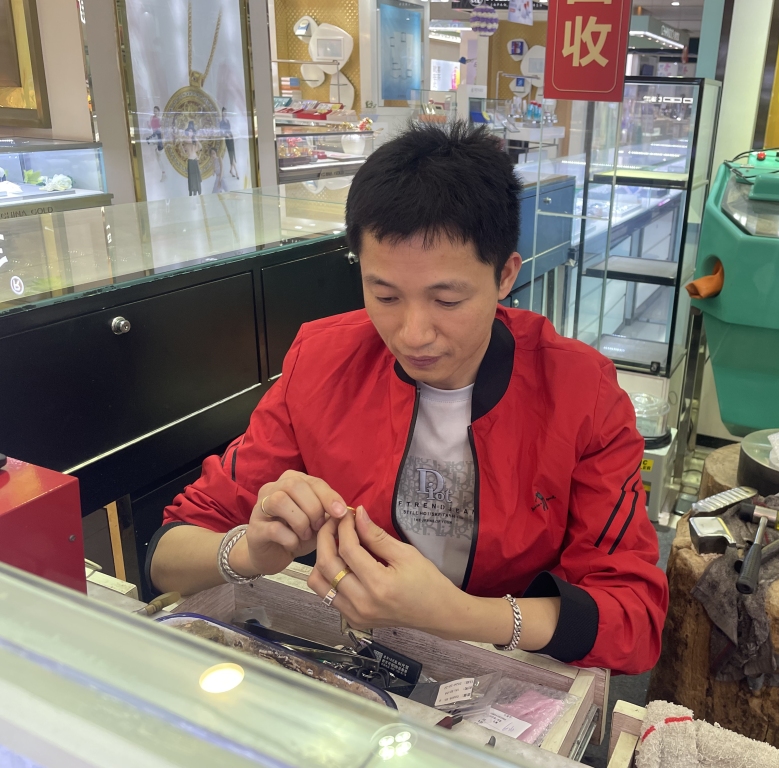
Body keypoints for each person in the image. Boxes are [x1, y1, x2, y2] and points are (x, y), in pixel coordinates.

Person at [147, 121, 667, 676]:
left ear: (505, 276)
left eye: (447, 300)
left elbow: (634, 618)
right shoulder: (321, 362)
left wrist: (461, 615)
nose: (413, 334)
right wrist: (250, 551)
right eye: (386, 295)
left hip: (505, 680)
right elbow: (167, 552)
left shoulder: (580, 393)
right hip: (351, 668)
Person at [147, 106, 166, 182]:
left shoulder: (160, 119)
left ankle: (164, 174)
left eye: (156, 111)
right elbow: (150, 127)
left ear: (158, 111)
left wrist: (162, 140)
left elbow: (162, 131)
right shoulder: (151, 118)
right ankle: (163, 173)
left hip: (158, 138)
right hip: (155, 137)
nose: (155, 112)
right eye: (154, 110)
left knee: (159, 157)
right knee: (158, 158)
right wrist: (148, 124)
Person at [183, 120, 201, 196]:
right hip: (190, 160)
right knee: (191, 177)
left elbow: (200, 147)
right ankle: (192, 191)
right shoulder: (186, 141)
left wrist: (198, 156)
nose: (190, 133)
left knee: (196, 177)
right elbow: (185, 151)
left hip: (195, 159)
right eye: (189, 131)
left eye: (192, 131)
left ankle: (196, 191)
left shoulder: (194, 140)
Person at [220, 107, 238, 179]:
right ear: (222, 113)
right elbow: (221, 132)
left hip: (231, 137)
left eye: (225, 112)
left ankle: (231, 170)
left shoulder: (227, 121)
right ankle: (236, 172)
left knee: (232, 153)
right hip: (227, 138)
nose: (225, 113)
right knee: (231, 154)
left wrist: (230, 135)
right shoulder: (221, 122)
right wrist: (226, 135)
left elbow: (229, 129)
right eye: (224, 112)